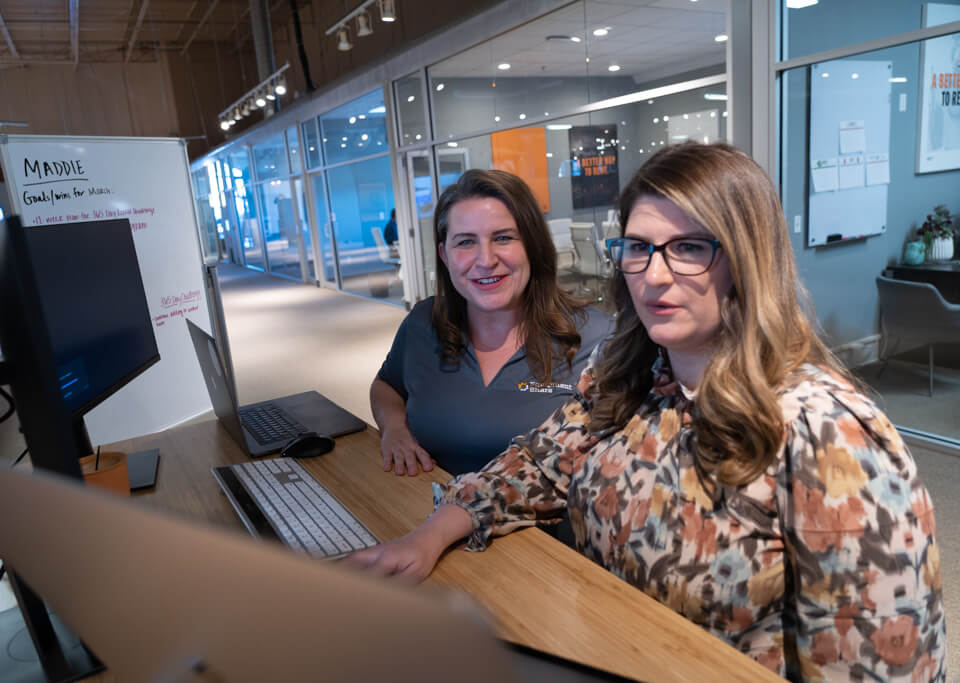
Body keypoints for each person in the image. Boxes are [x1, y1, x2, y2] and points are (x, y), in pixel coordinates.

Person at [349, 143, 946, 681]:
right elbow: (537, 464)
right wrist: (431, 534)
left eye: (689, 247)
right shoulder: (628, 381)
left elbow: (883, 666)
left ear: (746, 258)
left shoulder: (829, 433)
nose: (655, 275)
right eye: (639, 248)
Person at [370, 169, 611, 476]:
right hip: (428, 512)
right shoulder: (423, 323)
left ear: (533, 247)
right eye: (465, 242)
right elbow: (386, 385)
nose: (485, 259)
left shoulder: (598, 337)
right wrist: (394, 428)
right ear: (445, 255)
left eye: (503, 238)